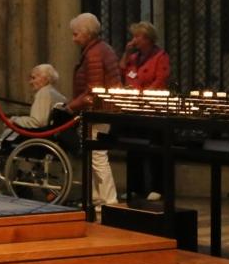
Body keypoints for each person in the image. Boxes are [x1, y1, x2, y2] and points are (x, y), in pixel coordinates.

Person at [66, 12, 121, 208]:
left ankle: (109, 201)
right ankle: (97, 198)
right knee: (94, 155)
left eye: (75, 34)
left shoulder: (95, 53)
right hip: (102, 108)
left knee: (98, 155)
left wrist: (71, 107)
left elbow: (93, 89)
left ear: (86, 33)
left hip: (100, 109)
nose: (73, 39)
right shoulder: (99, 49)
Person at [120, 22, 170, 202]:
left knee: (155, 148)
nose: (133, 40)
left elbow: (161, 78)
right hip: (134, 109)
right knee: (133, 148)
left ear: (147, 38)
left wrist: (145, 95)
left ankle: (158, 187)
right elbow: (123, 69)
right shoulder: (134, 57)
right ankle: (135, 187)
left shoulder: (160, 56)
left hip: (152, 109)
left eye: (136, 37)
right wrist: (126, 53)